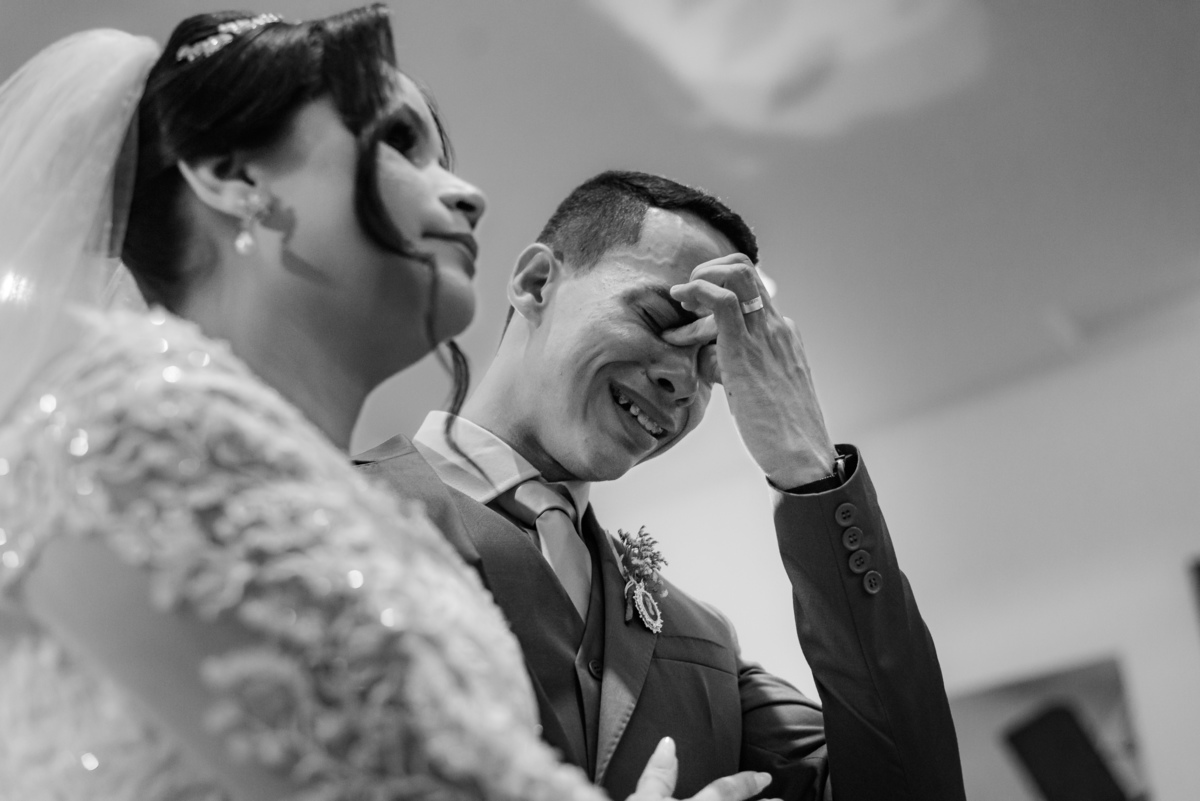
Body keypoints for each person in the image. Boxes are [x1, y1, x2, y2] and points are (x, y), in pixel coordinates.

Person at [0, 12, 773, 801]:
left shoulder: (347, 516)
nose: (468, 194)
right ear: (234, 176)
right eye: (401, 143)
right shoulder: (134, 430)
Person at [356, 171, 969, 800]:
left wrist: (810, 470)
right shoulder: (333, 511)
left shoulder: (703, 642)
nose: (682, 381)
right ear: (537, 283)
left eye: (713, 363)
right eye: (658, 317)